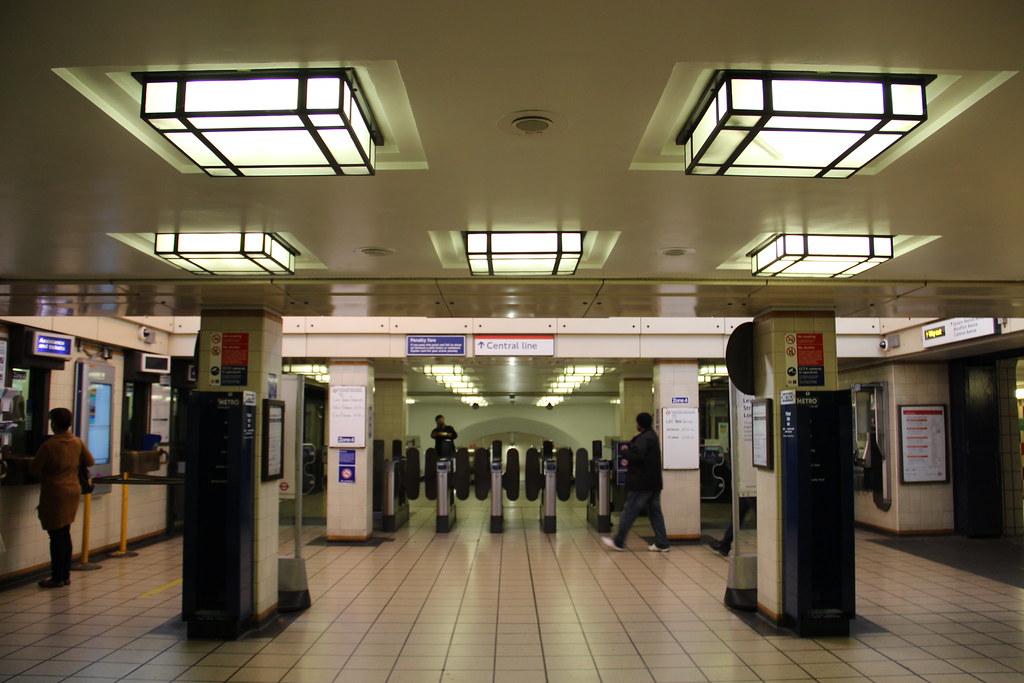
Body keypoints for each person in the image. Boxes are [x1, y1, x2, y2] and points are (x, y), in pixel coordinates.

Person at [30, 408, 94, 588]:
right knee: (65, 533)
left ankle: (57, 577)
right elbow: (89, 461)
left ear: (54, 424)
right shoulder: (77, 442)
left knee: (56, 536)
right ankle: (65, 575)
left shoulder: (50, 445)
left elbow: (34, 469)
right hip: (72, 491)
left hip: (55, 493)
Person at [602, 412, 670, 552]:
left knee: (629, 511)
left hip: (642, 483)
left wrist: (625, 452)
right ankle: (662, 543)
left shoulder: (644, 439)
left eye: (637, 423)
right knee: (655, 512)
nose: (636, 425)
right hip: (654, 482)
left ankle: (619, 541)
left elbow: (638, 456)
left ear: (640, 424)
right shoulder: (652, 436)